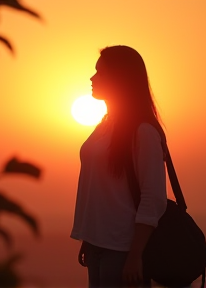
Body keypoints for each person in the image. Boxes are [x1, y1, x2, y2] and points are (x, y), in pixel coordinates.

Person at [70, 45, 167, 288]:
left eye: (100, 73)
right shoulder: (106, 124)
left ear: (119, 79)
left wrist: (135, 256)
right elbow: (101, 186)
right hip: (97, 245)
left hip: (123, 249)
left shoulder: (143, 131)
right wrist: (89, 237)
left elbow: (153, 198)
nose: (92, 78)